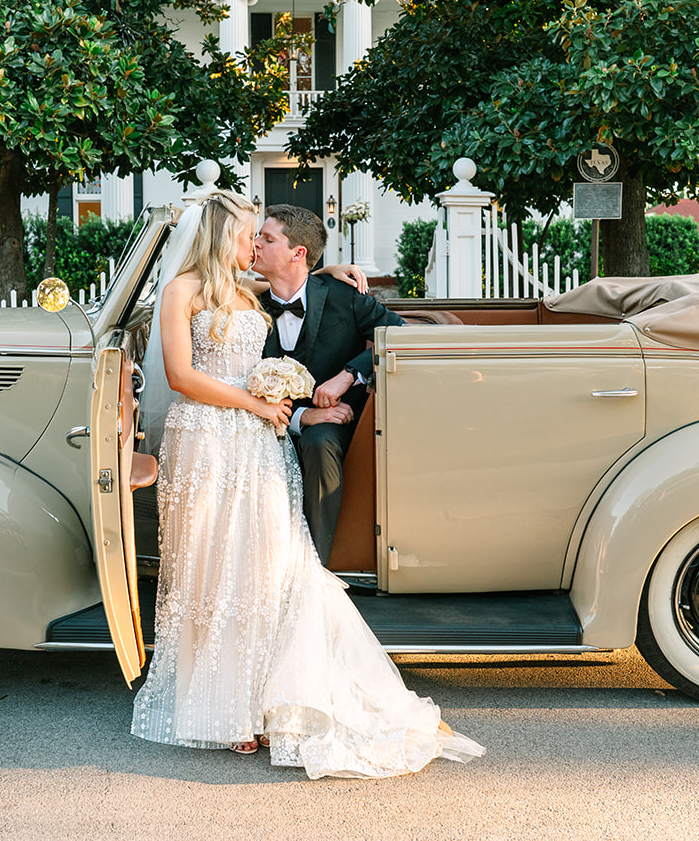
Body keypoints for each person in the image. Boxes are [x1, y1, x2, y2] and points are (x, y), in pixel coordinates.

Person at [131, 190, 484, 778]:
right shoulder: (183, 291)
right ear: (227, 237)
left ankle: (270, 699)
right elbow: (179, 374)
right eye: (250, 235)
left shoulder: (250, 291)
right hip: (208, 439)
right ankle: (228, 712)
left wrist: (329, 271)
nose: (254, 244)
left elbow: (299, 277)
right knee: (211, 567)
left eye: (262, 238)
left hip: (255, 442)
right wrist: (258, 404)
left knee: (266, 566)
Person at [251, 204, 405, 565]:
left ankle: (314, 566)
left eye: (267, 238)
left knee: (320, 442)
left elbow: (399, 335)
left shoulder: (344, 296)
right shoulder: (248, 306)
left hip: (338, 421)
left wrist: (349, 374)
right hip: (263, 418)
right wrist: (300, 416)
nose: (255, 243)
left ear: (298, 253)